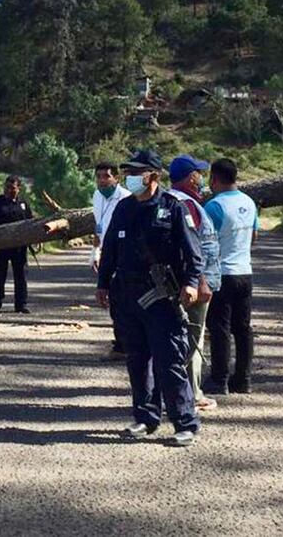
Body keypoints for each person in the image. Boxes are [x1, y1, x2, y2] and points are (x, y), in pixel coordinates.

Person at [96, 149, 203, 447]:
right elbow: (109, 252)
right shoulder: (124, 208)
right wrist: (102, 284)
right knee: (137, 360)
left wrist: (191, 284)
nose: (130, 178)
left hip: (161, 297)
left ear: (153, 175)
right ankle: (145, 417)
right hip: (127, 296)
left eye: (136, 172)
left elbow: (193, 253)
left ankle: (185, 422)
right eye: (128, 172)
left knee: (168, 361)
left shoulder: (173, 207)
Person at [168, 155, 221, 411]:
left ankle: (180, 392)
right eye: (199, 174)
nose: (201, 178)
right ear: (191, 177)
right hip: (193, 285)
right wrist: (200, 281)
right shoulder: (185, 204)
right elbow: (191, 247)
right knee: (192, 338)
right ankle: (191, 394)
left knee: (184, 337)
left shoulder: (173, 200)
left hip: (182, 282)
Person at [202, 158, 259, 396]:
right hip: (245, 271)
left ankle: (219, 378)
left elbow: (205, 242)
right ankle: (243, 378)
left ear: (214, 179)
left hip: (222, 273)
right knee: (243, 328)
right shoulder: (249, 202)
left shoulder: (214, 206)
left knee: (220, 328)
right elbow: (254, 236)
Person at [91, 162, 129, 360]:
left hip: (122, 253)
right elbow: (98, 226)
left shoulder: (125, 198)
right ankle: (121, 343)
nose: (102, 181)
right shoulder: (97, 196)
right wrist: (94, 253)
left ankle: (125, 345)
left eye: (106, 176)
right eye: (99, 176)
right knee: (113, 300)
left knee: (123, 301)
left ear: (116, 178)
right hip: (106, 252)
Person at [0, 175, 34, 314]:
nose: (9, 190)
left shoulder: (23, 204)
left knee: (21, 275)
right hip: (1, 245)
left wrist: (35, 240)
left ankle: (21, 304)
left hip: (19, 247)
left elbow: (31, 222)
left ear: (19, 189)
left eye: (12, 188)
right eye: (7, 187)